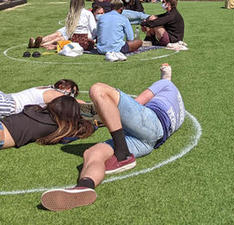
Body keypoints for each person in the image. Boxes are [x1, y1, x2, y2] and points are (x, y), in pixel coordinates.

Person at [40, 66, 184, 211]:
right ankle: (84, 186)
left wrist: (105, 113)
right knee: (92, 153)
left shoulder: (165, 84)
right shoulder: (177, 103)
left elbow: (139, 101)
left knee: (98, 90)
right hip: (150, 141)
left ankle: (123, 154)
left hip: (153, 123)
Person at [29, 0, 97, 51]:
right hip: (82, 40)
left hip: (72, 38)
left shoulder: (71, 13)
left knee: (59, 36)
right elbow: (94, 29)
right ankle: (41, 44)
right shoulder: (88, 13)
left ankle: (39, 43)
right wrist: (93, 39)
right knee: (60, 37)